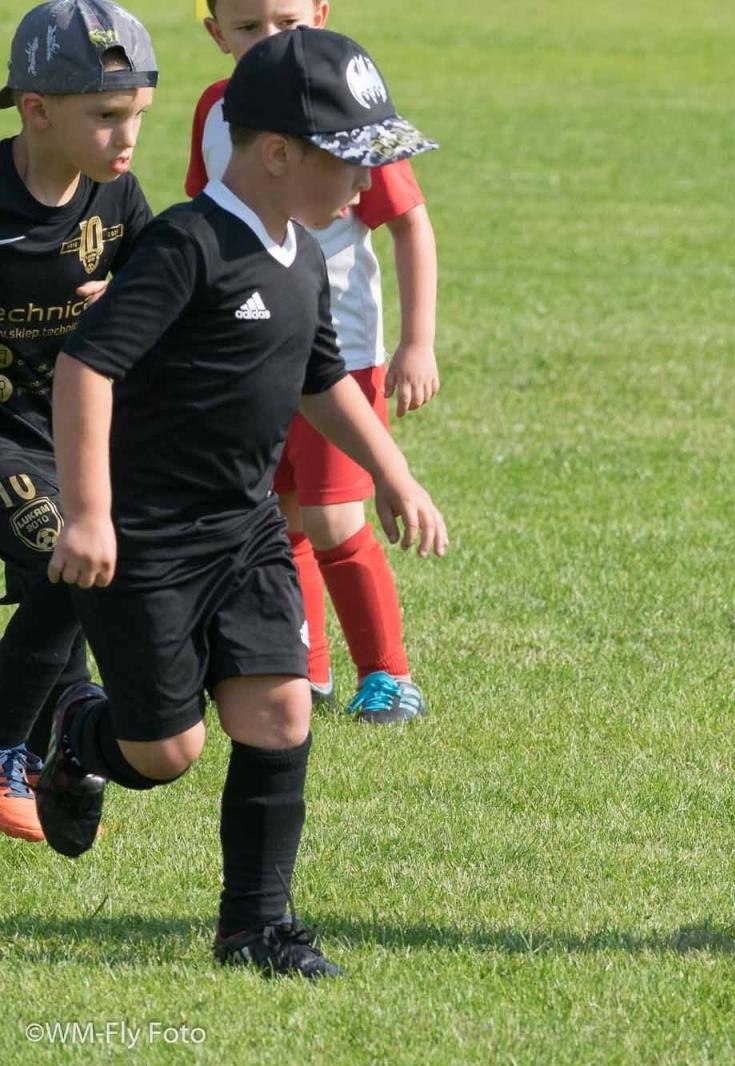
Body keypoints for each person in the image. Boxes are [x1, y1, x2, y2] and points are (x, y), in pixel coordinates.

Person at [37, 27, 445, 977]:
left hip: (248, 532)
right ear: (274, 155)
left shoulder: (305, 255)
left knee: (280, 715)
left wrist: (393, 473)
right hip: (147, 543)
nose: (363, 183)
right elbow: (86, 367)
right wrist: (90, 514)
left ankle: (255, 930)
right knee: (167, 750)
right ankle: (80, 736)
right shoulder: (188, 246)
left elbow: (321, 380)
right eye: (350, 160)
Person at [189, 0, 441, 723]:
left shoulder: (342, 110)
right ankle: (305, 667)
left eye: (289, 23)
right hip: (253, 352)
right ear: (215, 35)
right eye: (248, 28)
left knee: (333, 517)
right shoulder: (217, 111)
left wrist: (417, 341)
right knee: (278, 515)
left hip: (343, 359)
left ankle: (388, 675)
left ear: (322, 15)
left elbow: (410, 223)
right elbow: (207, 220)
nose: (270, 41)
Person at [0, 0, 157, 843]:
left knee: (68, 578)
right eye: (105, 116)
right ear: (37, 111)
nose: (125, 136)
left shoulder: (118, 194)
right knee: (67, 559)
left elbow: (165, 288)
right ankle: (13, 750)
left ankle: (58, 754)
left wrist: (131, 302)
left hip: (69, 430)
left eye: (134, 114)